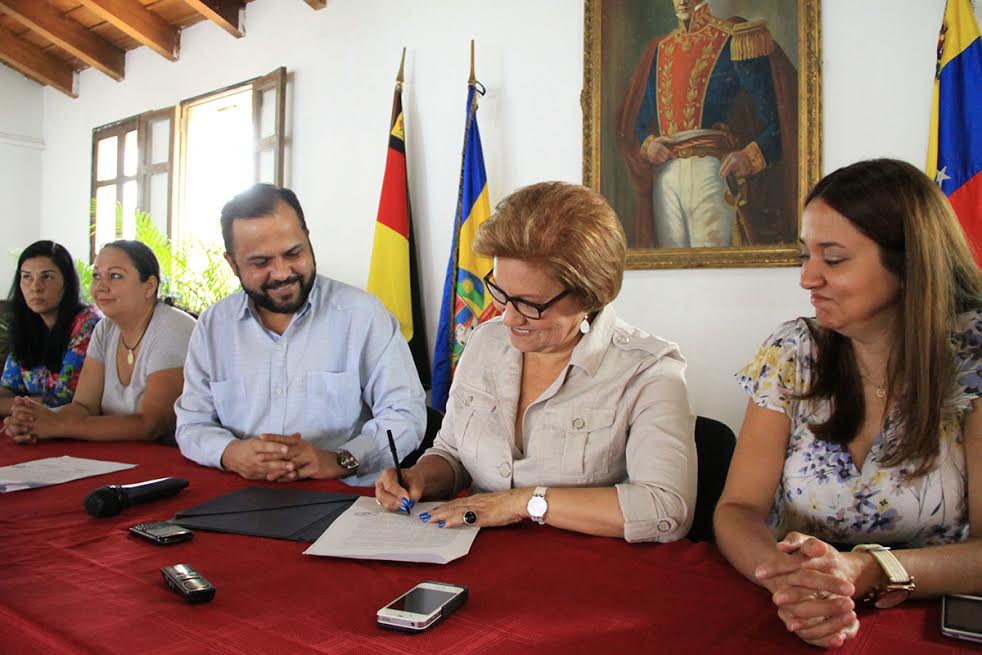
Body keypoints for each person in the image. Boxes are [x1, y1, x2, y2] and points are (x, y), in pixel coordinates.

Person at [714, 159, 982, 648]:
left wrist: (864, 569)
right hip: (799, 610)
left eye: (832, 259)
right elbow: (737, 508)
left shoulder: (972, 356)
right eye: (805, 254)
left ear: (908, 262)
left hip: (922, 621)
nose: (807, 278)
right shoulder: (793, 350)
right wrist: (786, 579)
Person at [375, 182, 696, 542]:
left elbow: (666, 509)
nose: (509, 319)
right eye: (502, 293)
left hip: (584, 569)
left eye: (530, 304)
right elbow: (453, 454)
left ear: (591, 295)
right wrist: (420, 477)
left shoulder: (650, 372)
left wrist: (523, 502)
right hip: (472, 552)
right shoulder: (486, 342)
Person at [174, 184, 425, 485]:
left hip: (342, 496)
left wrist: (339, 459)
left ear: (308, 240)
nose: (281, 273)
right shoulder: (214, 325)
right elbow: (192, 423)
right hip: (241, 492)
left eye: (293, 253)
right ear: (232, 263)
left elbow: (405, 414)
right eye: (261, 262)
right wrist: (231, 452)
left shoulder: (362, 315)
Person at [617, 0, 796, 248]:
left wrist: (748, 156)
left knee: (714, 258)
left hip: (710, 171)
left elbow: (777, 117)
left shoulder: (733, 39)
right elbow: (636, 122)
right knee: (669, 264)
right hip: (666, 176)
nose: (681, 1)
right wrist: (648, 145)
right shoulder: (660, 49)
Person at [4, 240, 195, 444]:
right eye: (97, 276)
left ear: (149, 286)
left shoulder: (172, 327)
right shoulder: (105, 329)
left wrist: (56, 425)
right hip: (119, 454)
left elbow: (151, 425)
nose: (101, 286)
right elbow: (84, 407)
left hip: (172, 459)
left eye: (115, 276)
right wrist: (33, 421)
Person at [1, 241, 101, 417]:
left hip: (76, 428)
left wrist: (13, 405)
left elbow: (63, 399)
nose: (35, 287)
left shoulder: (88, 324)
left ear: (67, 282)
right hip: (38, 424)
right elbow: (9, 387)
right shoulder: (26, 323)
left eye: (46, 277)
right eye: (26, 277)